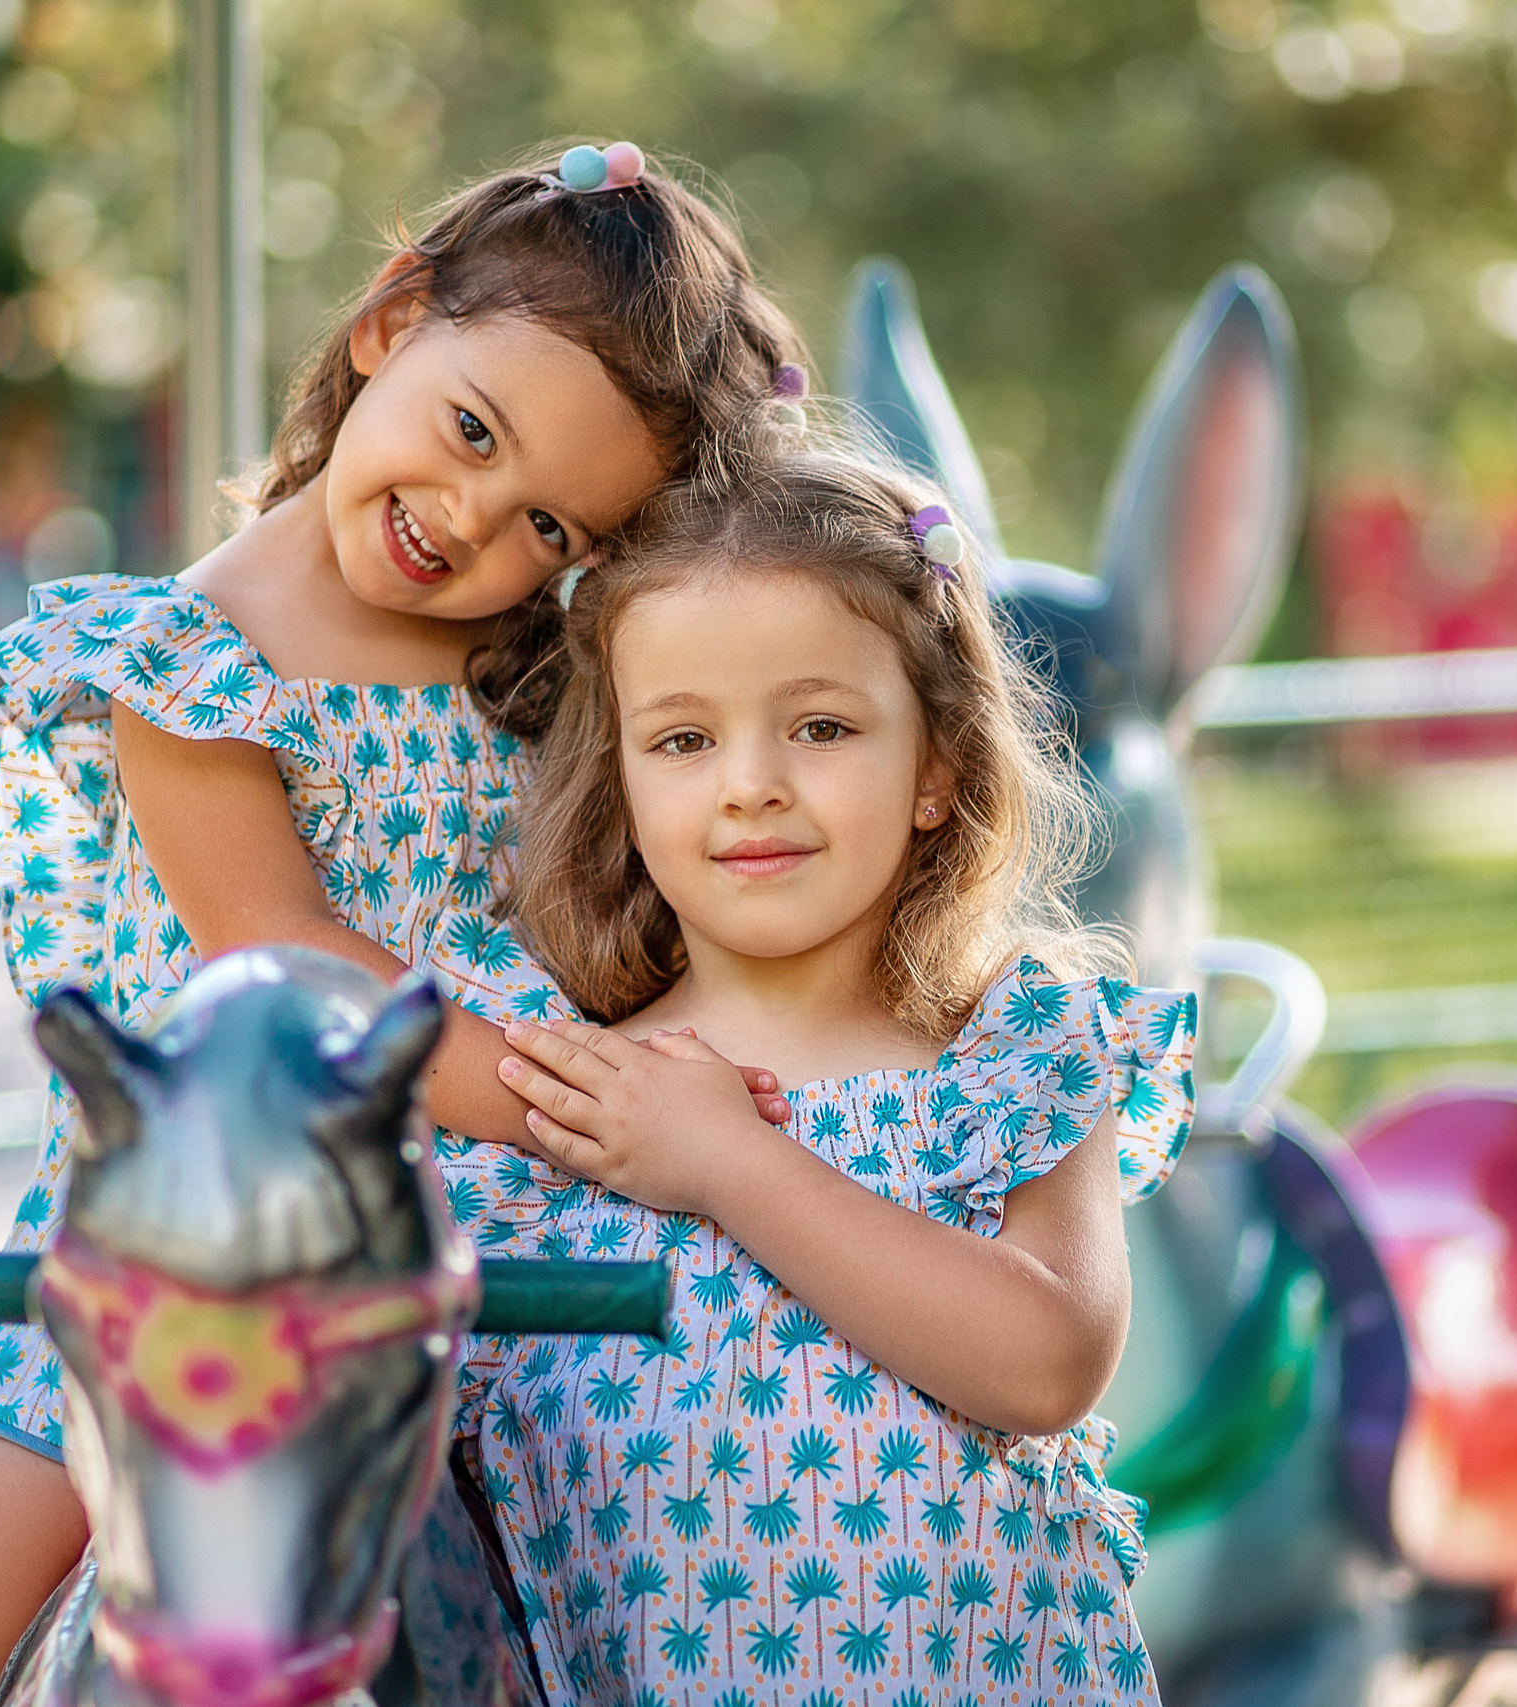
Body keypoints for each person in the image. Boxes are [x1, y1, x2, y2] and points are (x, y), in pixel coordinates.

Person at [0, 142, 809, 1707]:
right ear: (390, 319)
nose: (476, 519)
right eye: (470, 431)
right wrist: (592, 1106)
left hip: (512, 1192)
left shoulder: (541, 672)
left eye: (552, 529)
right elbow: (284, 960)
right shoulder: (190, 662)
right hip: (227, 1194)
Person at [419, 434, 1198, 1705]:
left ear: (936, 768)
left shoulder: (1014, 1056)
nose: (751, 787)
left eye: (821, 726)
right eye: (681, 741)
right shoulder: (551, 1097)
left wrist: (730, 1162)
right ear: (618, 776)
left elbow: (1048, 1362)